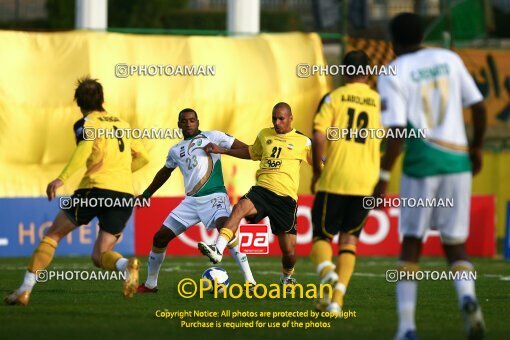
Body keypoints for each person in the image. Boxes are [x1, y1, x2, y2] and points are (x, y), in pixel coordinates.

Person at [375, 13, 487, 340]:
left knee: (411, 244)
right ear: (423, 34)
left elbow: (396, 131)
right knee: (456, 244)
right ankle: (468, 298)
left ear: (393, 44)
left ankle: (407, 327)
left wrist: (383, 177)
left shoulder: (393, 71)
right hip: (457, 164)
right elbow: (478, 107)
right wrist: (476, 148)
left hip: (421, 165)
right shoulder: (448, 58)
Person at [5, 77, 149, 305]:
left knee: (53, 235)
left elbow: (84, 149)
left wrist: (61, 179)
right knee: (99, 256)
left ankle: (24, 290)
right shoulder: (123, 124)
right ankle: (125, 266)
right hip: (123, 195)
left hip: (95, 190)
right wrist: (120, 173)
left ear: (78, 102)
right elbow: (143, 157)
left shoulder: (86, 123)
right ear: (103, 99)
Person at [136, 108, 257, 292]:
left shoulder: (214, 136)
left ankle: (250, 281)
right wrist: (146, 194)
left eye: (192, 120)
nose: (189, 124)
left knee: (226, 227)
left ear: (198, 122)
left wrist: (221, 150)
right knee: (160, 237)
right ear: (179, 124)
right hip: (191, 202)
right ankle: (151, 284)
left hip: (215, 196)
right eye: (184, 121)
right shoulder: (175, 150)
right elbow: (165, 172)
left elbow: (249, 150)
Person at [197, 102, 312, 287]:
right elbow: (251, 152)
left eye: (281, 118)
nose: (276, 122)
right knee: (239, 208)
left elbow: (320, 164)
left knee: (289, 253)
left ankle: (286, 277)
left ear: (291, 118)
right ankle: (217, 249)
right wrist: (223, 150)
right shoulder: (264, 134)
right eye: (274, 118)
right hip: (262, 190)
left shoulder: (303, 141)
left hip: (285, 199)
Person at [310, 50, 382, 315]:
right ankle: (336, 301)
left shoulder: (333, 98)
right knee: (349, 241)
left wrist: (318, 172)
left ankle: (327, 271)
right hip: (366, 182)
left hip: (336, 178)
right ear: (368, 73)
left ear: (344, 71)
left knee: (321, 236)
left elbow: (318, 138)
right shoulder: (379, 102)